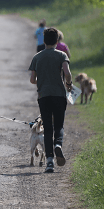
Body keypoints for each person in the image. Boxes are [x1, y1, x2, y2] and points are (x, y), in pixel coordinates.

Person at [29, 27, 73, 173]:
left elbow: (32, 79)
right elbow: (67, 73)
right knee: (59, 126)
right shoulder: (61, 55)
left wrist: (43, 81)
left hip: (44, 96)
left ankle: (49, 162)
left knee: (47, 128)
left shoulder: (37, 57)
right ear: (56, 40)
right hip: (59, 95)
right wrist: (68, 84)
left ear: (44, 40)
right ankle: (58, 145)